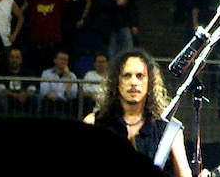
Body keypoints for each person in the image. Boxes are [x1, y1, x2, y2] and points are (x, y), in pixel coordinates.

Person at [83, 48, 196, 177]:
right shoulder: (93, 123)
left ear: (150, 82)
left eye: (140, 76)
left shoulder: (170, 132)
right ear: (117, 82)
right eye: (127, 76)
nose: (134, 82)